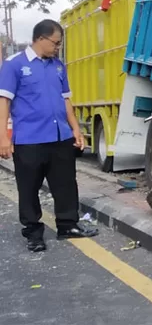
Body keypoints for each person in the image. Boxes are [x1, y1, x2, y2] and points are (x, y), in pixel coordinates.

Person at [0, 19, 98, 252]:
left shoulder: (57, 66)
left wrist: (75, 128)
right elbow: (4, 101)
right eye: (55, 43)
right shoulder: (14, 65)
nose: (57, 48)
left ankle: (67, 225)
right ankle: (34, 233)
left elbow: (66, 99)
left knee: (65, 184)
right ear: (40, 39)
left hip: (60, 137)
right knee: (29, 187)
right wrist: (3, 137)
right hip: (29, 139)